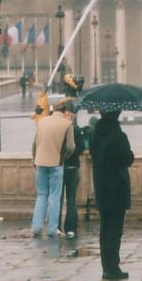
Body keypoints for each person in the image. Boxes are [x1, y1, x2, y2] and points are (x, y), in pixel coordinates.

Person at [90, 109, 135, 280]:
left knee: (105, 227)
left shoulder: (95, 135)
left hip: (101, 186)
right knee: (115, 229)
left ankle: (106, 266)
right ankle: (113, 267)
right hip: (117, 187)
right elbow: (127, 159)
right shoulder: (118, 136)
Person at [30, 101, 76, 239]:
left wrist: (34, 159)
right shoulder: (67, 124)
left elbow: (34, 143)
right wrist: (63, 157)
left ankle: (36, 227)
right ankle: (52, 228)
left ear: (54, 110)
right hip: (56, 163)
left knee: (42, 195)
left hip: (40, 162)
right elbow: (71, 147)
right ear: (65, 112)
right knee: (55, 197)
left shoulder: (43, 121)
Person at [56, 101, 85, 239]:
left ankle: (56, 226)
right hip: (73, 167)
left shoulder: (61, 128)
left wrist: (63, 157)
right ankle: (71, 228)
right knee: (71, 199)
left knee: (59, 198)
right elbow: (80, 148)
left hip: (61, 166)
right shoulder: (77, 129)